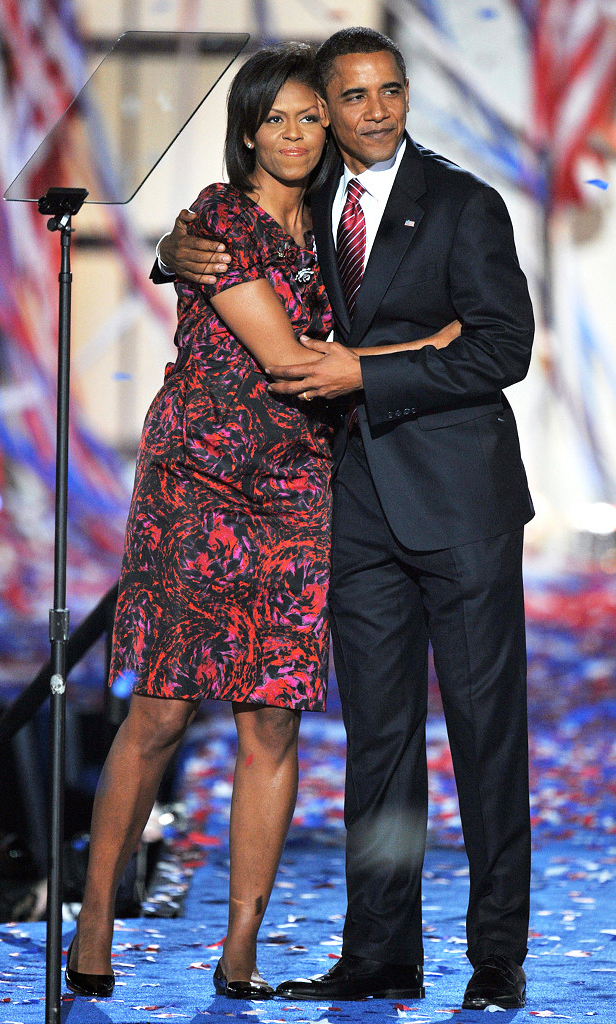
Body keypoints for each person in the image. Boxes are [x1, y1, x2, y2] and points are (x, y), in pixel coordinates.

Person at [66, 41, 456, 1005]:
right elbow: (287, 359)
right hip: (196, 484)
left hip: (297, 492)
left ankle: (241, 946)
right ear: (245, 129)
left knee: (272, 719)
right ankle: (97, 916)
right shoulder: (217, 220)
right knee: (159, 711)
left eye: (309, 116)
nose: (294, 132)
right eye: (275, 117)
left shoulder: (335, 223)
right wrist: (439, 343)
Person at [156, 27, 535, 1012]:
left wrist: (365, 368)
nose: (372, 112)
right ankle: (380, 951)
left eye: (388, 92)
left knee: (485, 737)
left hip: (461, 505)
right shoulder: (306, 199)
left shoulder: (463, 202)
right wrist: (169, 250)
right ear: (322, 109)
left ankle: (495, 955)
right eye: (349, 97)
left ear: (403, 96)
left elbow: (503, 346)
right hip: (356, 507)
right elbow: (230, 249)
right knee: (378, 744)